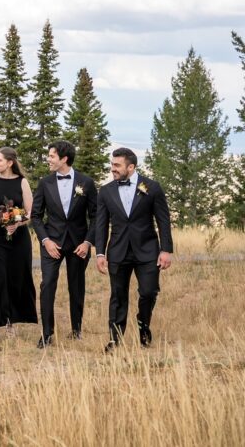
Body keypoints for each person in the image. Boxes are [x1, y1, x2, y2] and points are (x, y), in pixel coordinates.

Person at [94, 148, 173, 352]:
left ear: (131, 167)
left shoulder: (152, 187)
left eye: (117, 165)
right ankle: (115, 339)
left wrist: (166, 250)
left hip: (147, 250)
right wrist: (100, 253)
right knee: (118, 296)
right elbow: (101, 224)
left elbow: (163, 220)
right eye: (112, 164)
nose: (113, 169)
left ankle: (143, 326)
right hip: (118, 251)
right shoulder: (105, 191)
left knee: (149, 292)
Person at [30, 141, 97, 347]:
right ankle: (47, 333)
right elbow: (36, 216)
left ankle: (76, 329)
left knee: (76, 286)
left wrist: (87, 242)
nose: (48, 159)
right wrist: (45, 240)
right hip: (52, 243)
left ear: (64, 159)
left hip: (78, 244)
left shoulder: (87, 182)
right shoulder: (45, 183)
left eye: (51, 156)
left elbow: (96, 217)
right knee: (47, 285)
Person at [0, 147, 37, 345]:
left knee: (15, 279)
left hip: (19, 239)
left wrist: (17, 223)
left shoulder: (22, 182)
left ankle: (10, 322)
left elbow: (30, 212)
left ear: (9, 162)